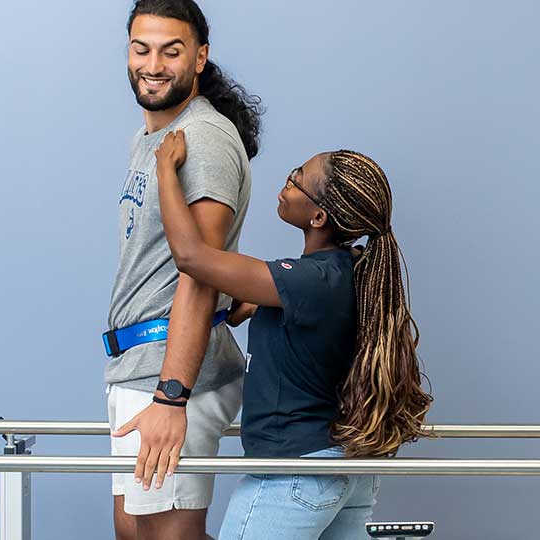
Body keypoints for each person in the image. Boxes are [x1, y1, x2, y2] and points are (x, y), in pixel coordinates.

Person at [148, 131, 434, 540]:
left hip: (295, 476)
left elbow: (192, 257)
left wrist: (165, 169)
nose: (288, 181)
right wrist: (265, 304)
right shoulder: (352, 271)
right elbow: (312, 318)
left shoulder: (310, 280)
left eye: (298, 178)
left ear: (319, 217)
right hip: (343, 469)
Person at [104, 1, 262, 539]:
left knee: (166, 534)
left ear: (200, 57)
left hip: (172, 376)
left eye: (171, 51)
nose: (153, 64)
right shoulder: (151, 139)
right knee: (137, 530)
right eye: (141, 48)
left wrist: (171, 396)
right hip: (140, 364)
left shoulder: (205, 139)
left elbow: (199, 269)